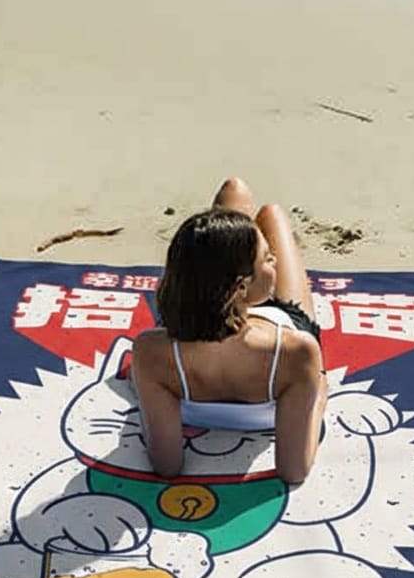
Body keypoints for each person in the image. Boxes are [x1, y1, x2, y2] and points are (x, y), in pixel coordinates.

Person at [131, 177, 327, 486]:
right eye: (268, 259)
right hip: (274, 335)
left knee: (233, 192)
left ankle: (222, 259)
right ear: (241, 287)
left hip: (194, 325)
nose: (274, 260)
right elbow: (294, 471)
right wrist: (320, 395)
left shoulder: (150, 350)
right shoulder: (297, 351)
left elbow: (166, 465)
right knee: (272, 214)